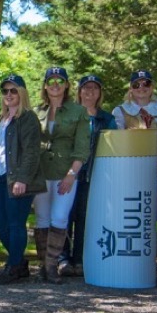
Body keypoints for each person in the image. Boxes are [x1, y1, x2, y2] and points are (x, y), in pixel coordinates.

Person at [32, 67, 90, 284]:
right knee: (42, 220)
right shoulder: (36, 112)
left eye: (60, 80)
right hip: (40, 173)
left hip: (65, 173)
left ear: (66, 85)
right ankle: (43, 267)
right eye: (51, 80)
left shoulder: (78, 112)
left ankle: (52, 266)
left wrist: (71, 174)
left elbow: (82, 147)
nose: (55, 84)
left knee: (59, 218)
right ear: (45, 85)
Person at [0, 74, 44, 285]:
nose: (9, 95)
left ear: (22, 93)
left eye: (13, 90)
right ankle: (19, 262)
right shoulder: (1, 120)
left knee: (15, 224)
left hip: (18, 179)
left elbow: (31, 152)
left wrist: (22, 179)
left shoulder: (28, 118)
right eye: (5, 91)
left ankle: (13, 267)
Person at [59, 75, 116, 277]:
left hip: (93, 174)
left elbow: (112, 148)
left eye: (94, 88)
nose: (90, 92)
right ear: (79, 91)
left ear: (100, 93)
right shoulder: (69, 113)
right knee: (64, 215)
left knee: (84, 217)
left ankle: (80, 259)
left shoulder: (107, 119)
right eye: (86, 88)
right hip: (67, 173)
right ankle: (62, 258)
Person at [113, 70, 157, 166]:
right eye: (136, 84)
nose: (141, 87)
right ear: (131, 88)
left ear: (152, 87)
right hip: (130, 164)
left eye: (146, 84)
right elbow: (118, 143)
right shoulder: (120, 111)